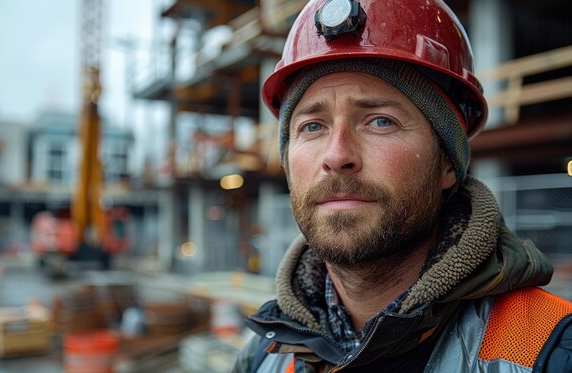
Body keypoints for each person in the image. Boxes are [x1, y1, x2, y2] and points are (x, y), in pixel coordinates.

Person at [233, 0, 572, 372]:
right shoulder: (264, 357)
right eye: (312, 126)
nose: (336, 155)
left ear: (446, 163)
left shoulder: (550, 350)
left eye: (380, 121)